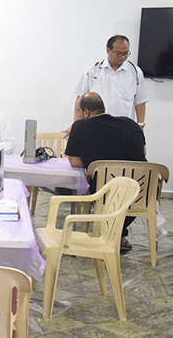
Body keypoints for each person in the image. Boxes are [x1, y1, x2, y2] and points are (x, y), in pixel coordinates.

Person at [65, 92, 146, 251]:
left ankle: (111, 234)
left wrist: (97, 163)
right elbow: (141, 153)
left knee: (101, 186)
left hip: (105, 191)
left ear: (86, 112)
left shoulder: (80, 127)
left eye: (78, 111)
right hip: (140, 190)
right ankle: (118, 233)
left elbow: (74, 162)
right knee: (126, 196)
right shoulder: (131, 124)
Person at [73, 34, 148, 126]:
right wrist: (76, 125)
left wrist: (140, 125)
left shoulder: (135, 72)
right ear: (108, 50)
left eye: (126, 53)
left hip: (124, 126)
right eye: (119, 53)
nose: (123, 57)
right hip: (97, 125)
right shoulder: (93, 70)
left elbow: (140, 101)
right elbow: (80, 99)